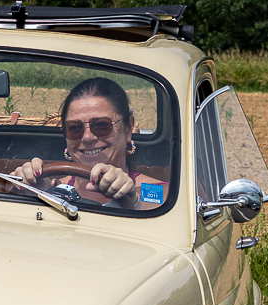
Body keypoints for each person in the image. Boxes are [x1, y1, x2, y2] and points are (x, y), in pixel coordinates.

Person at [16, 76, 167, 210]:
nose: (87, 138)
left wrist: (134, 202)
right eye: (75, 128)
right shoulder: (52, 188)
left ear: (128, 128)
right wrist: (34, 195)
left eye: (102, 125)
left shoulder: (162, 195)